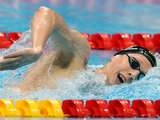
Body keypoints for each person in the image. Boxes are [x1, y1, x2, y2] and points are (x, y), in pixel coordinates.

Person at [0, 6, 157, 93]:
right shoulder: (77, 56)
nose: (134, 74)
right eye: (134, 64)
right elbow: (47, 14)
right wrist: (36, 49)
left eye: (141, 76)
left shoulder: (98, 96)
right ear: (117, 55)